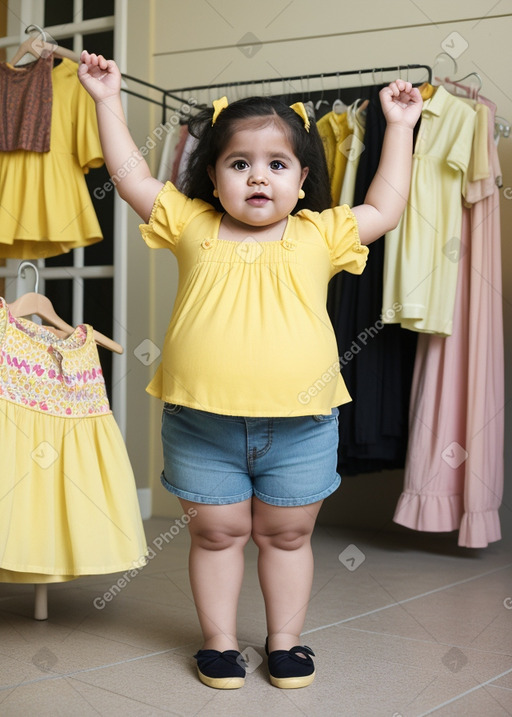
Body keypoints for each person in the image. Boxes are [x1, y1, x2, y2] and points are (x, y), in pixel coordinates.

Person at [78, 51, 423, 691]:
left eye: (276, 165)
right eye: (240, 164)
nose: (257, 178)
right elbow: (129, 177)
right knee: (216, 535)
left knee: (288, 536)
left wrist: (398, 128)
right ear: (212, 176)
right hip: (201, 422)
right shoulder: (191, 223)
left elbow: (387, 206)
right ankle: (217, 641)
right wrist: (106, 101)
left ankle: (286, 641)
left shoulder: (320, 234)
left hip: (302, 426)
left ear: (300, 181)